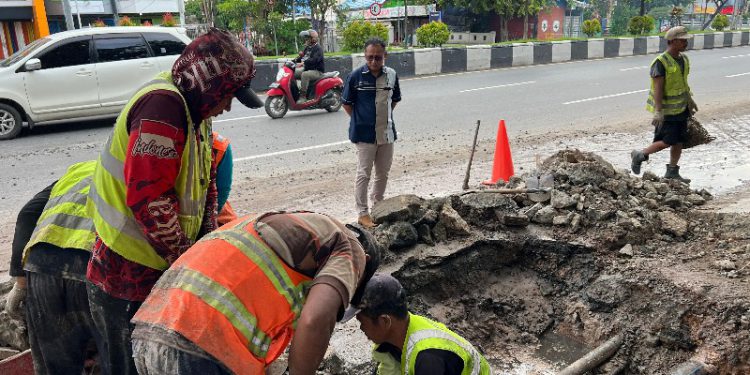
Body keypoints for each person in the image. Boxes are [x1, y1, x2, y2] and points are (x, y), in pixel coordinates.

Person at [85, 28, 262, 375]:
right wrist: (186, 261)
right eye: (227, 96)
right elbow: (150, 199)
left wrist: (208, 245)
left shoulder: (197, 108)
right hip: (126, 271)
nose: (227, 107)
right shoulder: (162, 107)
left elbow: (206, 182)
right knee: (129, 365)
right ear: (208, 82)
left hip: (158, 263)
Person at [130, 211, 382, 374]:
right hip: (199, 344)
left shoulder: (291, 224)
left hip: (149, 333)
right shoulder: (350, 247)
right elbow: (316, 320)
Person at [5, 161, 108, 374]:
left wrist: (21, 283)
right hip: (100, 270)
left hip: (43, 267)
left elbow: (27, 215)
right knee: (119, 362)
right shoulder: (143, 172)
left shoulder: (79, 170)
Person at [347, 274, 491, 375]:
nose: (361, 328)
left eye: (362, 322)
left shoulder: (428, 358)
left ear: (385, 321)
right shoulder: (397, 337)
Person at [342, 37, 401, 229]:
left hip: (386, 133)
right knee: (364, 174)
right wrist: (362, 119)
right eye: (370, 58)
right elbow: (347, 104)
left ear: (385, 56)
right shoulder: (355, 76)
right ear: (365, 57)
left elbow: (394, 100)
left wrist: (383, 118)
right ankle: (362, 213)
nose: (374, 62)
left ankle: (378, 207)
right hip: (364, 135)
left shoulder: (392, 75)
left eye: (378, 57)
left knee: (382, 173)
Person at [631, 26, 697, 183]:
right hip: (667, 111)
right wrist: (658, 111)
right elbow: (658, 89)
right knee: (667, 140)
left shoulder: (684, 59)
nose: (686, 43)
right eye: (683, 40)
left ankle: (672, 172)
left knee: (679, 140)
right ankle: (640, 155)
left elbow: (682, 82)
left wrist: (689, 100)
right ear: (672, 41)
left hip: (681, 108)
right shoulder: (660, 62)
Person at [294, 29, 325, 103]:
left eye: (308, 38)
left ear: (313, 39)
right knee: (293, 73)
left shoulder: (318, 49)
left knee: (305, 75)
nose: (306, 40)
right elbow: (302, 57)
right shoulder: (307, 48)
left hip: (317, 71)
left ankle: (303, 96)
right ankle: (295, 92)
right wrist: (293, 61)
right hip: (307, 69)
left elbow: (314, 60)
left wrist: (303, 63)